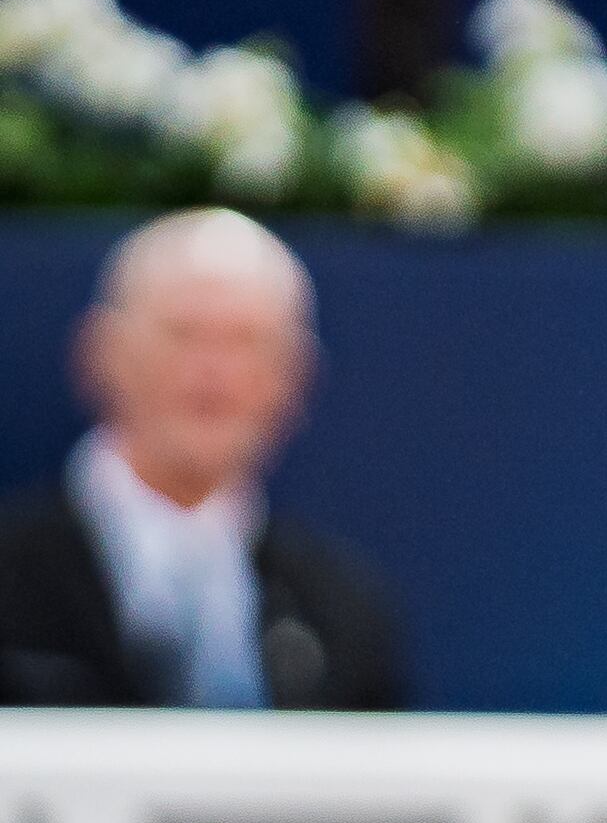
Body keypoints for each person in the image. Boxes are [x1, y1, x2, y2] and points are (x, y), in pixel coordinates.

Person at [0, 211, 403, 710]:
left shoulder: (342, 608)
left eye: (246, 341)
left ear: (295, 378)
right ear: (101, 354)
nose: (214, 372)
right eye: (183, 334)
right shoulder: (13, 575)